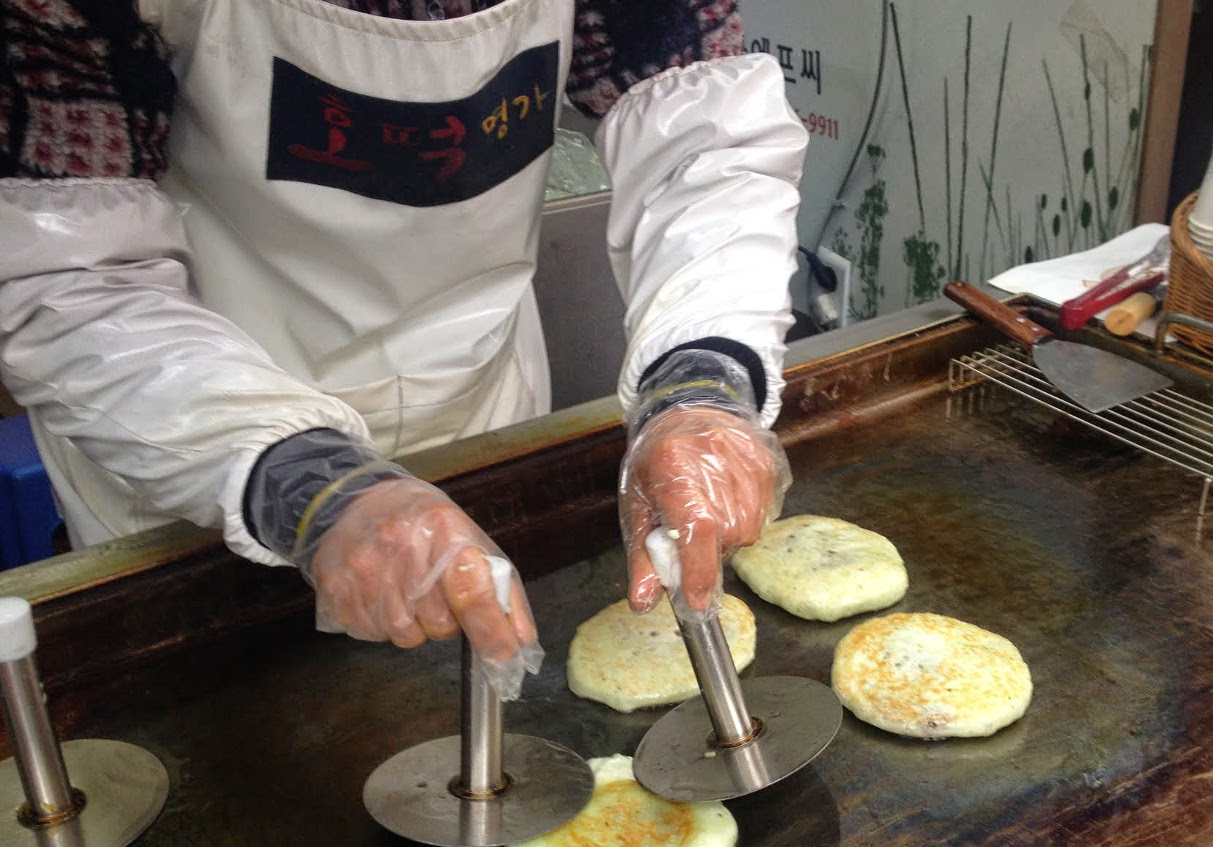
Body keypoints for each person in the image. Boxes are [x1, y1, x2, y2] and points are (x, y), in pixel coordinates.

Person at [0, 0, 805, 672]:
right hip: (191, 447)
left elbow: (701, 139)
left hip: (479, 410)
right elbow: (65, 276)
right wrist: (305, 484)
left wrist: (701, 378)